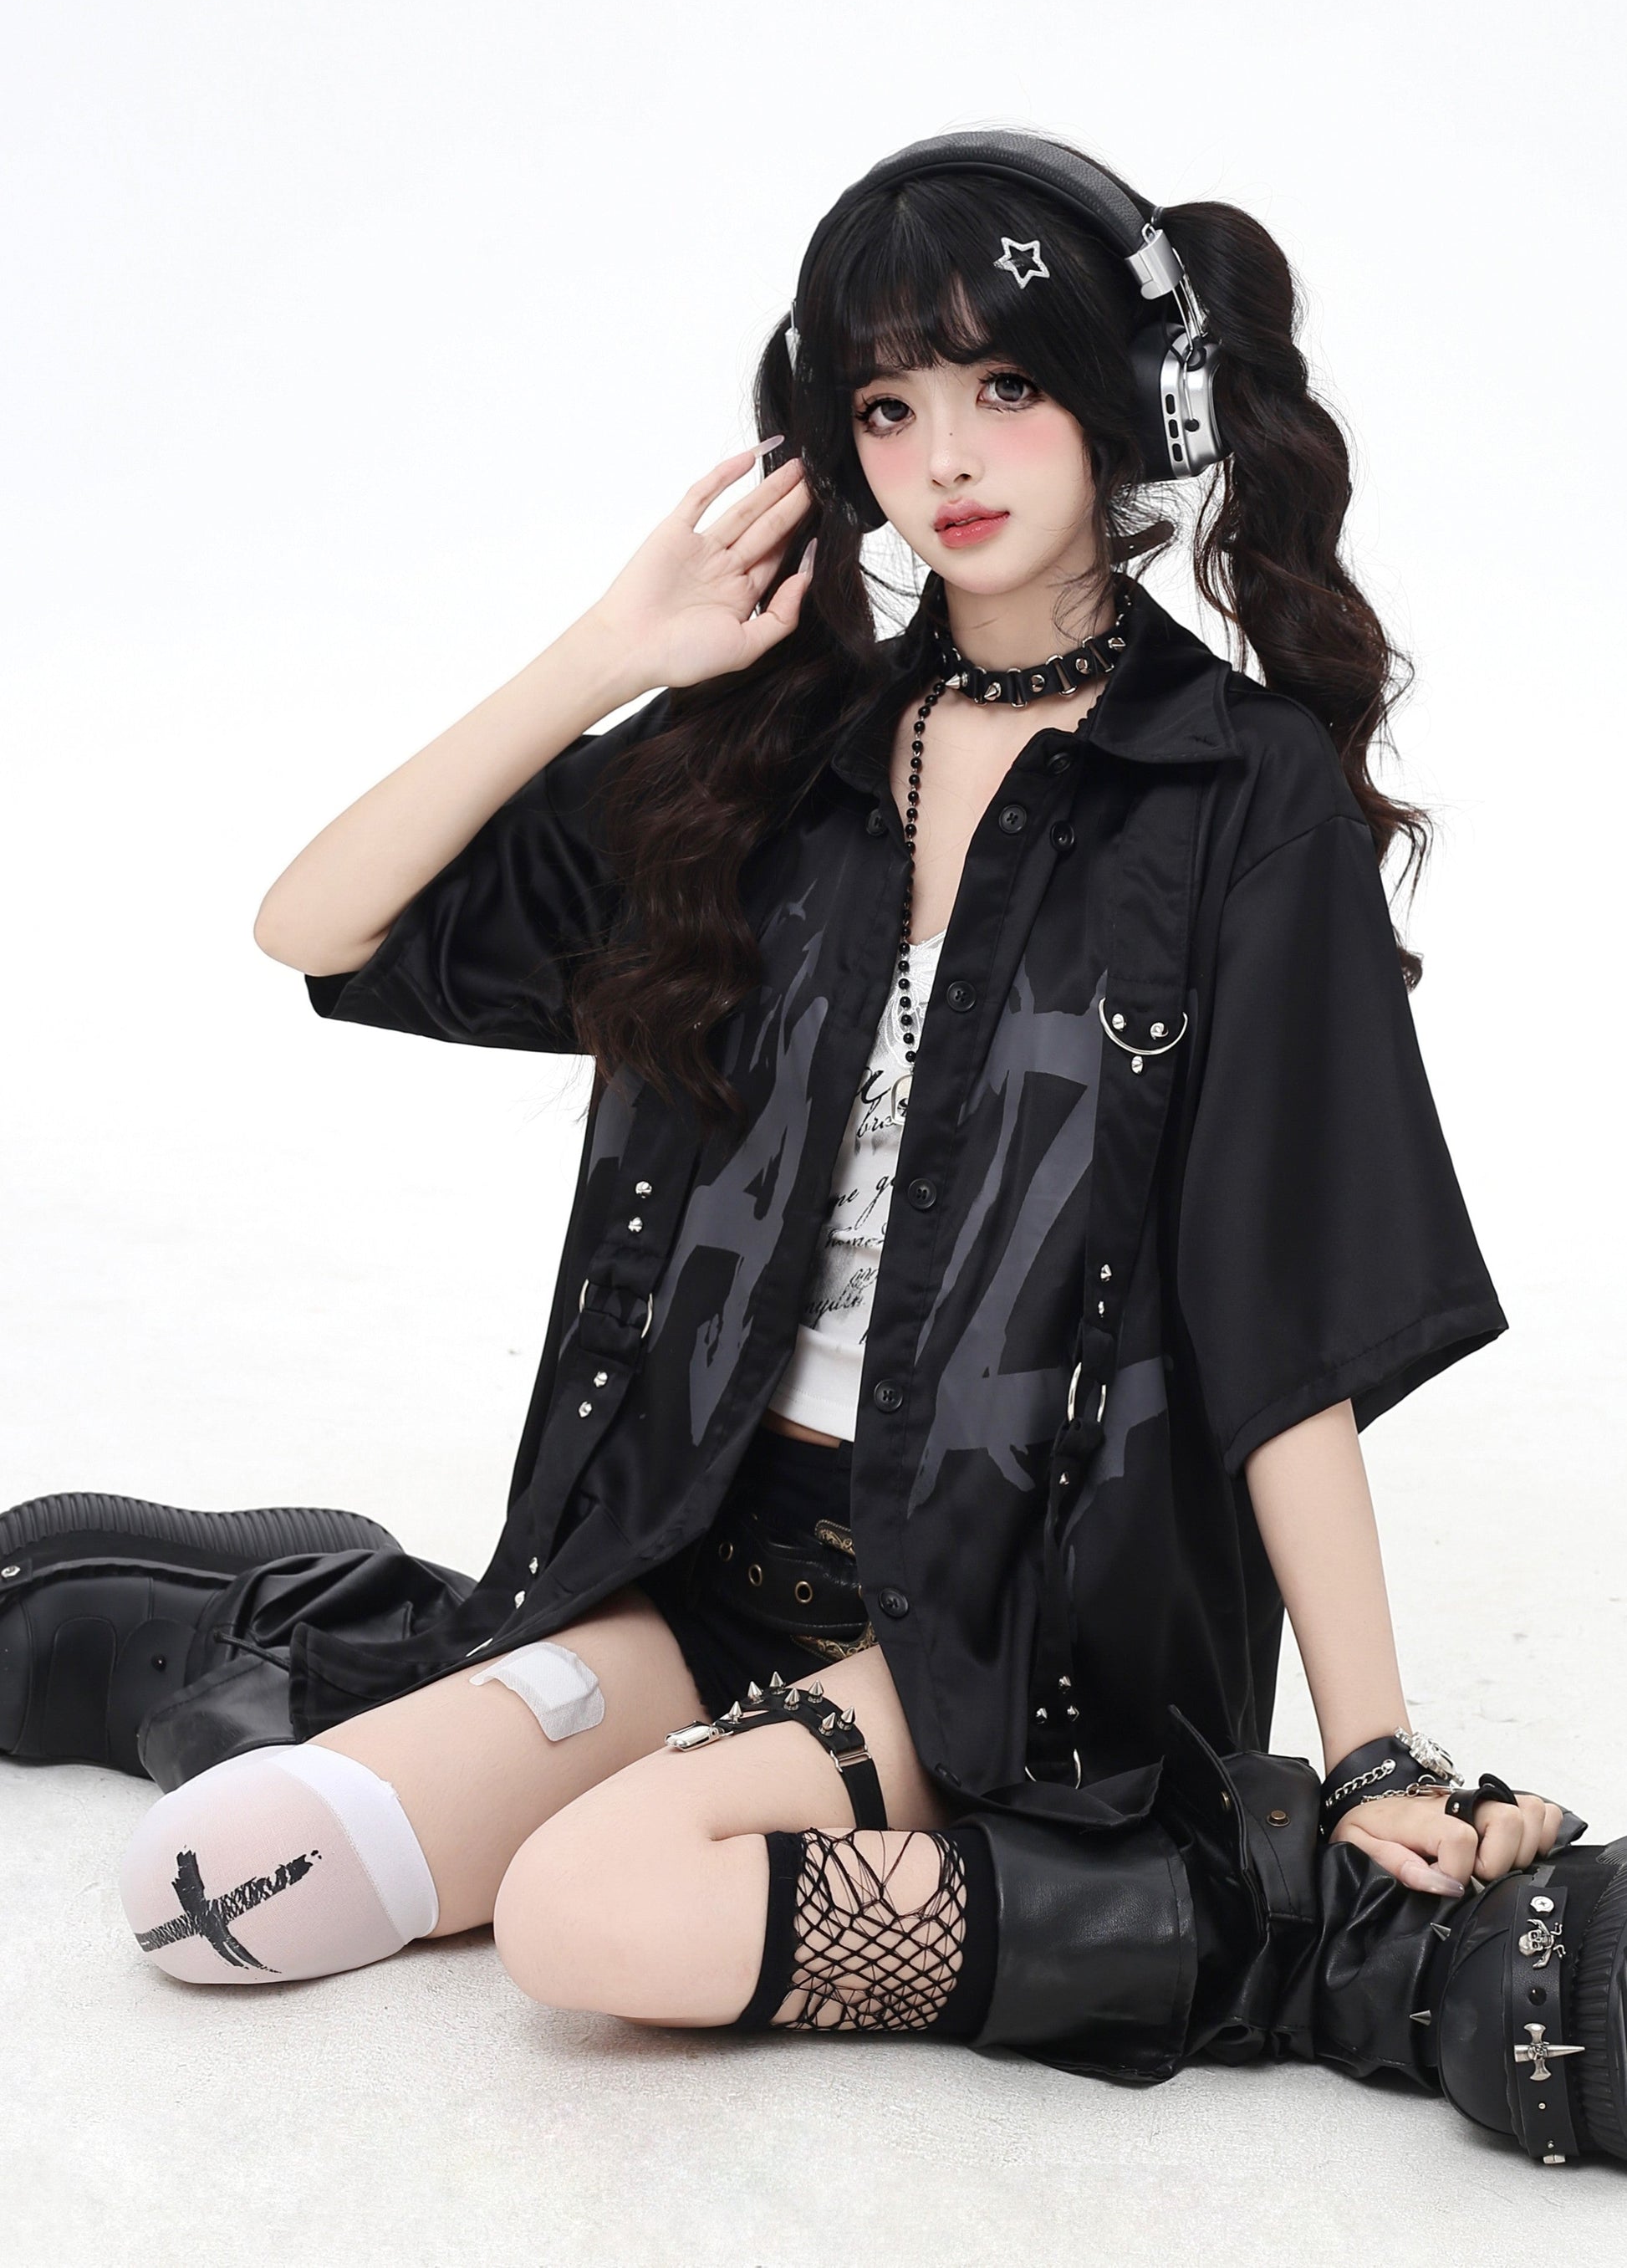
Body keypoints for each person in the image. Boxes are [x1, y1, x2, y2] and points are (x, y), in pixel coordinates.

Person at [6, 134, 1624, 2162]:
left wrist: (1370, 1741)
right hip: (689, 1549)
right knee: (212, 1881)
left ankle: (1287, 1938)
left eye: (1002, 385)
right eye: (885, 403)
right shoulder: (782, 756)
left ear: (1126, 403)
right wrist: (612, 652)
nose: (943, 455)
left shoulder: (1234, 796)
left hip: (1007, 1613)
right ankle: (330, 1639)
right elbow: (315, 924)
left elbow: (1282, 1303)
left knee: (592, 1911)